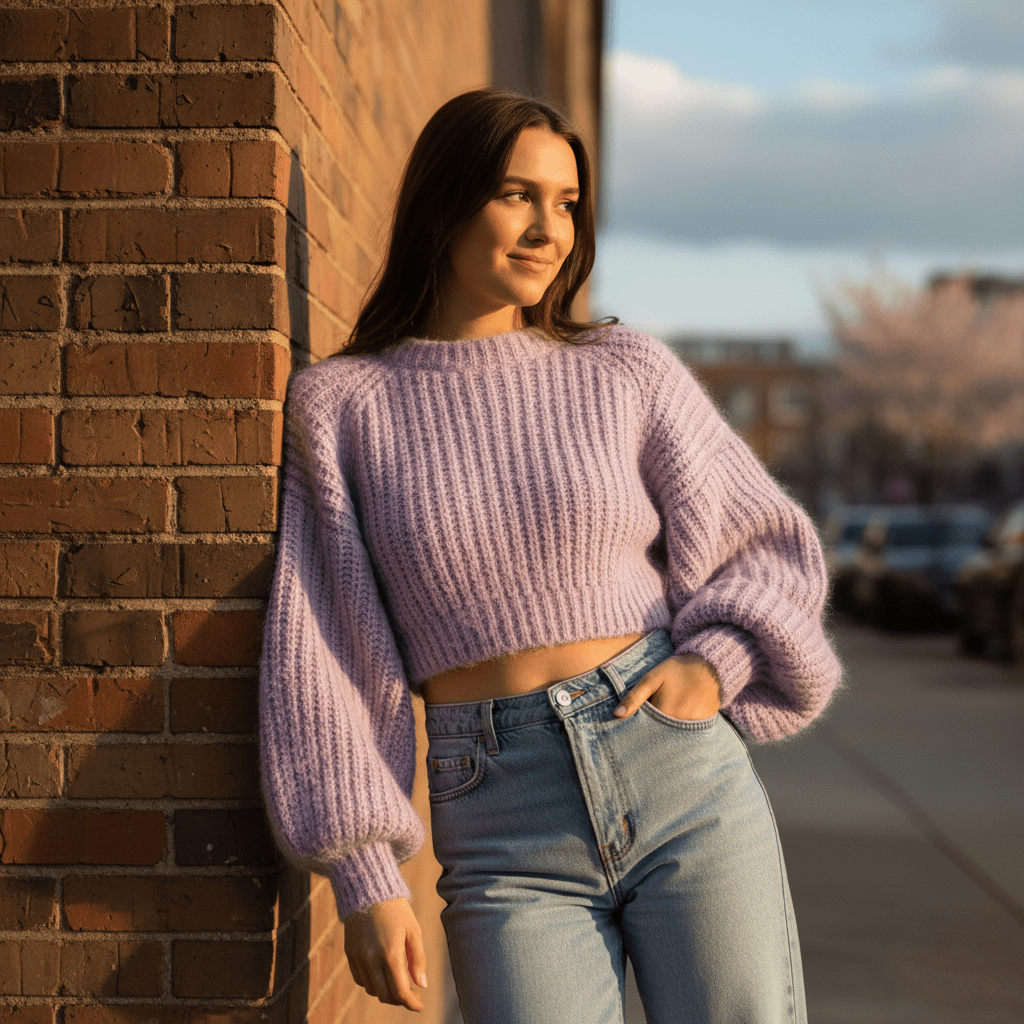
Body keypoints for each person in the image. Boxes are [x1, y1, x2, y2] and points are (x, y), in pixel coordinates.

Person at [259, 87, 842, 1024]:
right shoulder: (345, 405)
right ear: (445, 203)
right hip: (498, 820)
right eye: (516, 196)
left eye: (566, 203)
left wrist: (715, 661)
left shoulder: (624, 372)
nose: (548, 229)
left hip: (677, 769)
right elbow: (325, 648)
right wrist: (363, 873)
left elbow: (768, 547)